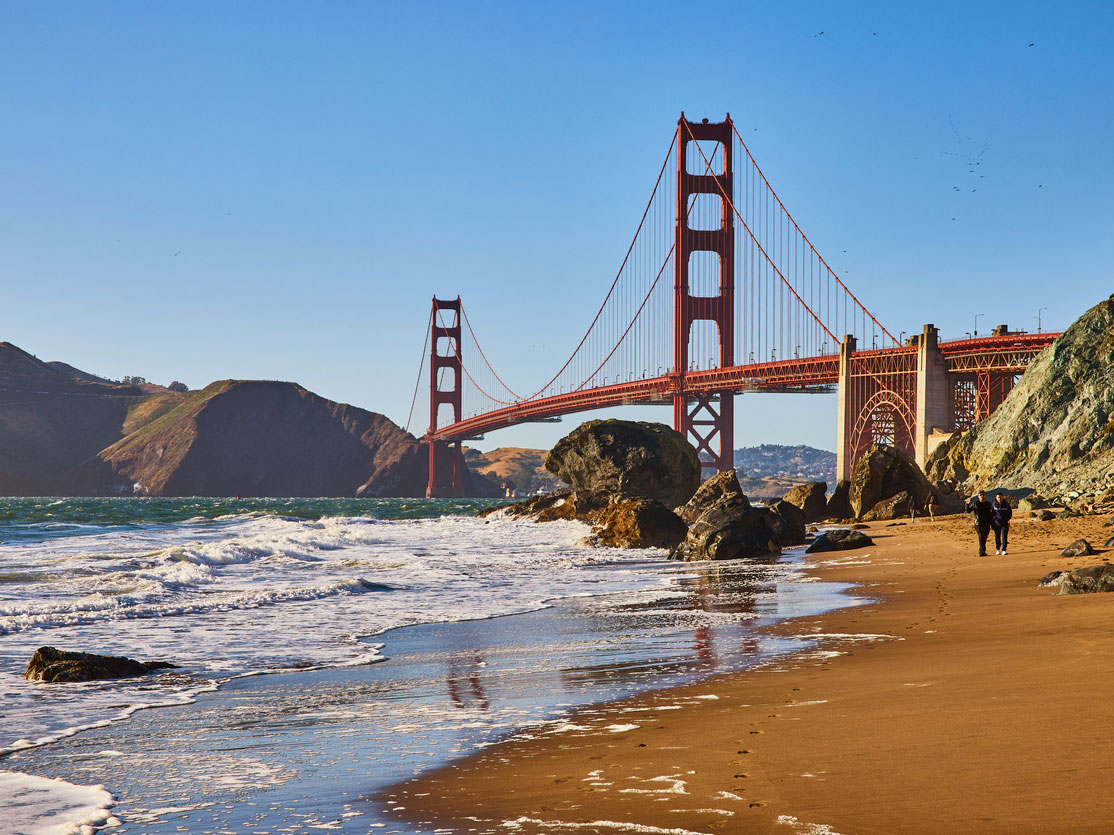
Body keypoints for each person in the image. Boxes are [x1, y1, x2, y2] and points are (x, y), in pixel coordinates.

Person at [966, 490, 993, 556]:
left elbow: (991, 513)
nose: (982, 496)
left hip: (987, 523)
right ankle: (981, 551)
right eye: (980, 495)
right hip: (978, 523)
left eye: (983, 495)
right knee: (981, 536)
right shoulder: (975, 504)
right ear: (978, 496)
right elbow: (968, 511)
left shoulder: (988, 504)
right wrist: (967, 504)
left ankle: (982, 550)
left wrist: (992, 522)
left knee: (985, 537)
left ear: (985, 496)